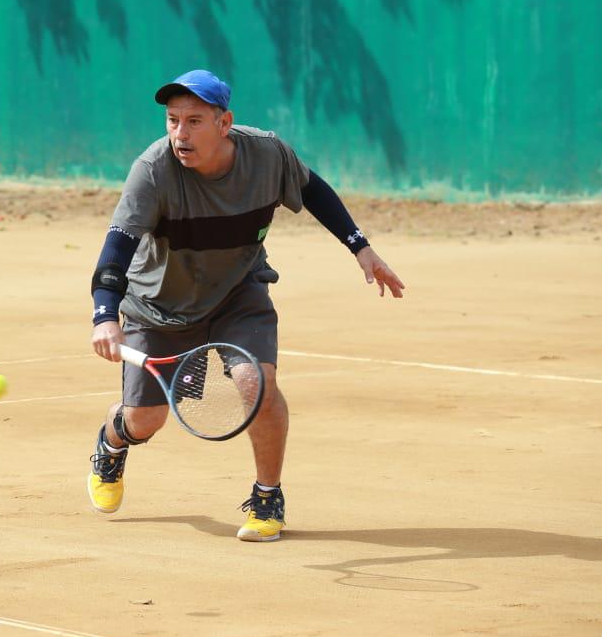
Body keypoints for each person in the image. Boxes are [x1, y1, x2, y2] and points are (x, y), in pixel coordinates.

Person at [86, 69, 404, 542]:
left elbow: (313, 189)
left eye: (194, 121)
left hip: (239, 290)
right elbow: (118, 247)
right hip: (159, 306)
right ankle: (112, 442)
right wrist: (105, 315)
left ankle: (267, 496)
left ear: (224, 123)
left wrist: (361, 247)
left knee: (258, 382)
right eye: (172, 121)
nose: (180, 134)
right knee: (146, 420)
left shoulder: (267, 154)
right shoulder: (152, 171)